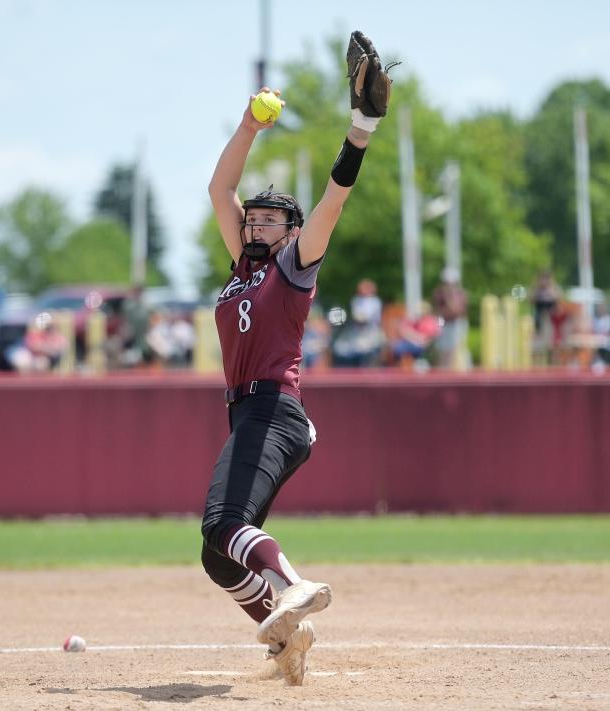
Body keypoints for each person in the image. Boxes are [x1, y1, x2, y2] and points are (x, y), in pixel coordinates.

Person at [200, 30, 397, 685]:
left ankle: (292, 583)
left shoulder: (292, 265)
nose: (255, 225)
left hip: (273, 409)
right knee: (219, 554)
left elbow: (334, 197)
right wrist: (250, 123)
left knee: (224, 521)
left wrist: (360, 128)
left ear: (289, 232)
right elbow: (218, 187)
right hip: (248, 414)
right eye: (250, 219)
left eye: (269, 220)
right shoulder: (240, 269)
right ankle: (287, 635)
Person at [432, 266, 468, 369]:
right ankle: (443, 369)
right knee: (442, 349)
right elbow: (438, 312)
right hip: (444, 322)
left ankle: (451, 369)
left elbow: (458, 311)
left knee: (454, 348)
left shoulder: (460, 294)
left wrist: (449, 298)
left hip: (456, 323)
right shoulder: (439, 293)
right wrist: (438, 326)